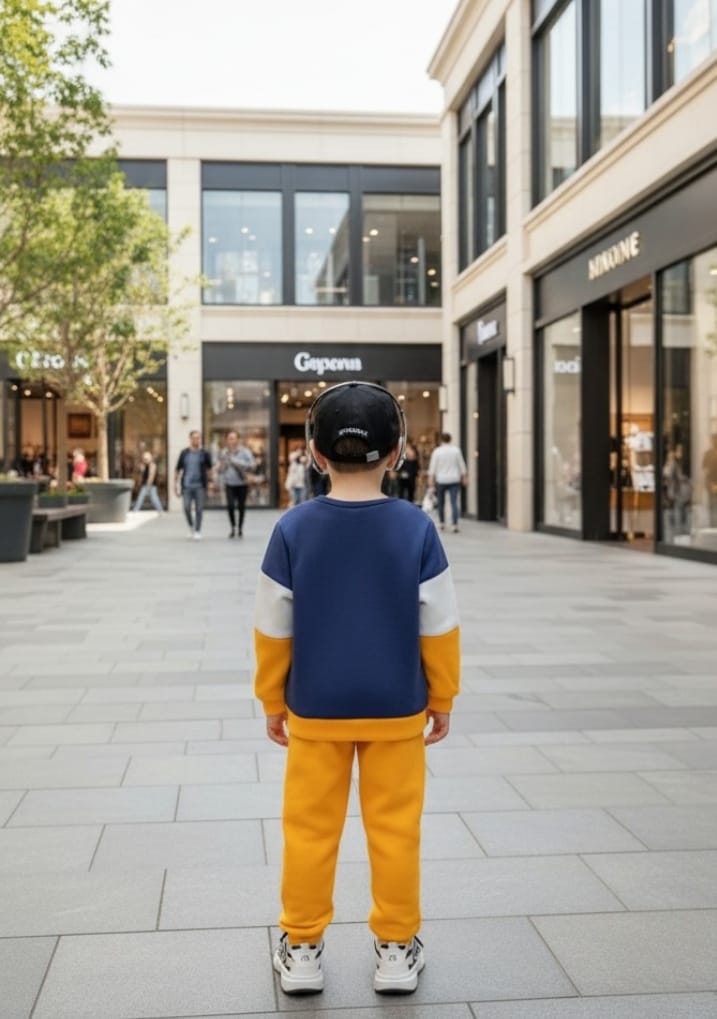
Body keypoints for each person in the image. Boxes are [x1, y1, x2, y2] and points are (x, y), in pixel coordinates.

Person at [253, 381, 460, 997]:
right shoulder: (416, 529)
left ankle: (302, 948)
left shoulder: (292, 530)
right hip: (397, 709)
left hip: (315, 710)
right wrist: (441, 696)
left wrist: (272, 699)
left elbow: (272, 628)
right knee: (396, 830)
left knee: (309, 831)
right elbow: (439, 623)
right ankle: (396, 949)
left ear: (314, 454)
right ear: (396, 453)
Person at [174, 430, 213, 539]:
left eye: (198, 438)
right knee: (186, 508)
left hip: (200, 486)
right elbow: (177, 469)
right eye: (194, 438)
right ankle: (191, 526)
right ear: (190, 439)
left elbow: (209, 470)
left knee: (199, 509)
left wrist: (210, 484)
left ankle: (197, 530)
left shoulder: (204, 454)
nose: (196, 440)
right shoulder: (184, 453)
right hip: (186, 486)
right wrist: (175, 485)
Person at [216, 430, 256, 537]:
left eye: (233, 438)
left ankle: (240, 528)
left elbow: (252, 465)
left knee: (241, 506)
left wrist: (236, 461)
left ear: (238, 439)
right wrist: (221, 467)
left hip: (242, 483)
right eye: (229, 438)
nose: (231, 440)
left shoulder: (245, 451)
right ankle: (233, 527)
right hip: (229, 483)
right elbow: (220, 469)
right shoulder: (224, 452)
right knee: (230, 506)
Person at [427, 432, 467, 532]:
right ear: (450, 439)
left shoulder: (437, 451)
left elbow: (433, 466)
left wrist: (431, 479)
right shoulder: (456, 450)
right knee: (454, 502)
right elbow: (461, 464)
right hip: (454, 479)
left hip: (441, 480)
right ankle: (454, 525)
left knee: (441, 503)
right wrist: (464, 477)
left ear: (441, 440)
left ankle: (442, 523)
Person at [702, 434, 717, 526]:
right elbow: (704, 467)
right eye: (714, 440)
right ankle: (712, 522)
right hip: (711, 481)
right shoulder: (708, 453)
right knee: (711, 503)